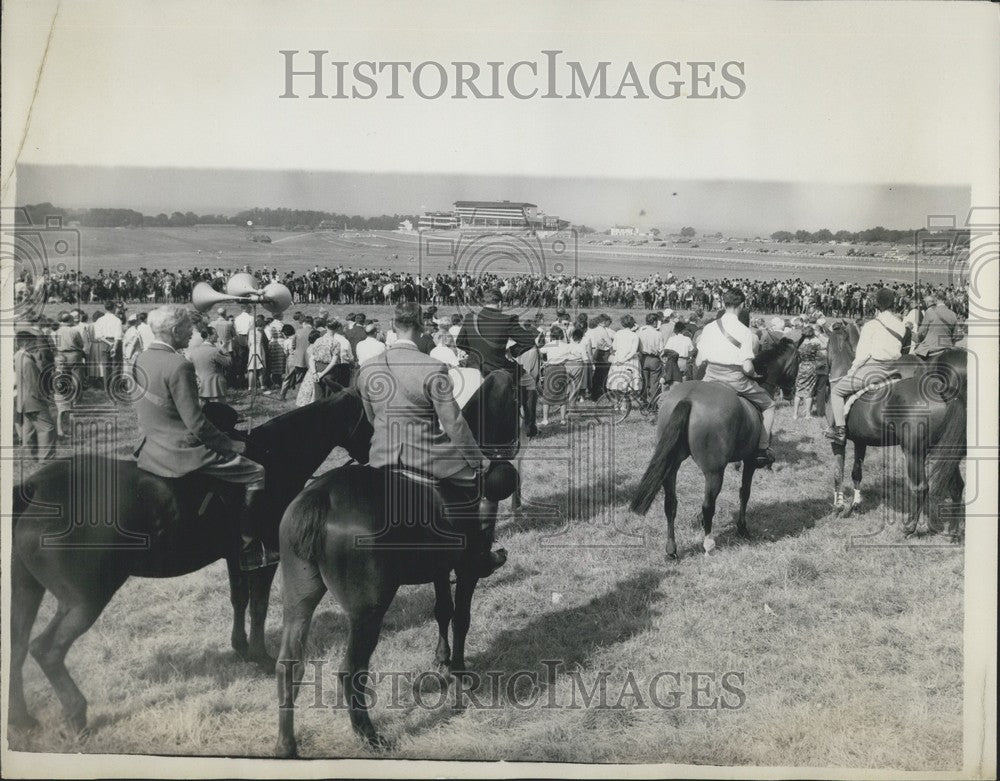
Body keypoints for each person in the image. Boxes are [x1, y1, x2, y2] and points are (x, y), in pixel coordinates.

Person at [358, 302, 505, 578]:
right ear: (423, 326)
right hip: (425, 457)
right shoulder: (433, 367)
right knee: (483, 484)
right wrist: (478, 461)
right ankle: (479, 555)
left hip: (380, 456)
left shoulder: (367, 368)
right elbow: (453, 423)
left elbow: (370, 417)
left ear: (392, 326)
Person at [132, 305, 275, 571]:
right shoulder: (178, 364)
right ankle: (247, 545)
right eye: (188, 329)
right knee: (256, 472)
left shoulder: (142, 358)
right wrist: (231, 444)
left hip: (150, 447)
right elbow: (197, 424)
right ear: (175, 330)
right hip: (179, 451)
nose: (191, 334)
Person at [695, 288, 776, 467]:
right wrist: (754, 374)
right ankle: (762, 449)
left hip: (709, 376)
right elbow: (747, 367)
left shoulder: (708, 327)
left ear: (724, 304)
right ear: (742, 305)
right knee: (770, 405)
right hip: (734, 378)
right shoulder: (745, 331)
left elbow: (699, 360)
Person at [825, 287, 906, 443]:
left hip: (873, 368)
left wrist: (852, 370)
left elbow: (862, 355)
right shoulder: (900, 325)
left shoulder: (871, 325)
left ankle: (840, 430)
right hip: (894, 368)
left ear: (876, 304)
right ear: (893, 303)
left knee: (836, 392)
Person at [13, 329, 57, 461]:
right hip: (33, 401)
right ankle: (46, 459)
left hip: (22, 401)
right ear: (26, 342)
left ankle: (28, 455)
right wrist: (46, 399)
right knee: (48, 428)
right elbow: (34, 385)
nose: (36, 345)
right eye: (33, 342)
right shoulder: (27, 361)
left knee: (29, 428)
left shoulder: (17, 356)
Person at [188, 326, 232, 404]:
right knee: (219, 412)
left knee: (204, 413)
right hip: (216, 388)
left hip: (201, 387)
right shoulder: (215, 351)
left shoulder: (194, 351)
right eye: (215, 334)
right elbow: (228, 362)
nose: (217, 336)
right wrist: (224, 349)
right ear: (209, 336)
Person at [913, 287, 959, 358]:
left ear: (936, 300)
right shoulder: (953, 314)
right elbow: (955, 335)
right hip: (947, 347)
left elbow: (922, 333)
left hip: (931, 347)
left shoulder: (930, 311)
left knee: (913, 359)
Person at [606, 315, 642, 396]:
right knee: (629, 382)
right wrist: (625, 359)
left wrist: (619, 358)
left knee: (618, 380)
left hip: (618, 358)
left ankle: (618, 402)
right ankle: (626, 402)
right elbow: (633, 351)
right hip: (629, 360)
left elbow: (614, 347)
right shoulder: (634, 335)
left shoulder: (618, 333)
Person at [792, 326, 822, 419]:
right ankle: (808, 414)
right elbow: (821, 354)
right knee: (809, 391)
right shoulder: (815, 344)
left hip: (801, 366)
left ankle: (795, 414)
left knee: (798, 390)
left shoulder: (798, 345)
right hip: (811, 366)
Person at [637, 312, 666, 404]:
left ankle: (643, 401)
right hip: (654, 359)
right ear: (654, 322)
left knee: (644, 381)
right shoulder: (658, 334)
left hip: (643, 358)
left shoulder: (640, 332)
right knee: (654, 382)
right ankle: (653, 402)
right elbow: (661, 349)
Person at [94, 301, 123, 391]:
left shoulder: (100, 320)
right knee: (116, 365)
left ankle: (107, 388)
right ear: (114, 307)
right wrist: (114, 346)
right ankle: (114, 387)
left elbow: (98, 336)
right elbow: (118, 336)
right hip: (115, 342)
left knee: (106, 366)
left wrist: (107, 342)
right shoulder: (117, 320)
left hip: (104, 343)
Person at [296, 330, 323, 408]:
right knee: (312, 389)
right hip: (314, 370)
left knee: (307, 389)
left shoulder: (309, 347)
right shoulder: (315, 347)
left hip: (310, 370)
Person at [663, 320, 694, 387]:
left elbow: (666, 350)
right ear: (683, 330)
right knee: (683, 379)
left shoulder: (671, 339)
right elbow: (691, 350)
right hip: (683, 361)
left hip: (673, 361)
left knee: (672, 380)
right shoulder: (687, 339)